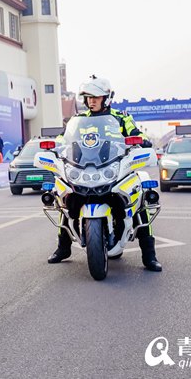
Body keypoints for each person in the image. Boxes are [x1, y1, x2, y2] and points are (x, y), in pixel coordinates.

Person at [47, 75, 162, 272]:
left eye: (96, 97)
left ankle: (149, 255)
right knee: (65, 199)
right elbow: (63, 138)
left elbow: (136, 133)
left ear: (106, 98)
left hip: (115, 167)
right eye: (88, 97)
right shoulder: (79, 120)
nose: (91, 101)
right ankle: (63, 248)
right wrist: (54, 145)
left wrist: (141, 140)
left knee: (139, 201)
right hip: (84, 168)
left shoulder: (121, 117)